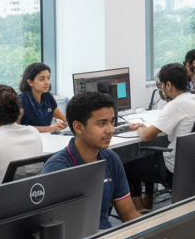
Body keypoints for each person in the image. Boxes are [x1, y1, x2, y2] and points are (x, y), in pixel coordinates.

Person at [41, 91, 141, 230]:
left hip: (106, 238)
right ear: (78, 127)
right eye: (101, 124)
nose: (111, 129)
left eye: (112, 122)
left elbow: (129, 214)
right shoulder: (57, 168)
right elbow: (61, 230)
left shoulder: (111, 158)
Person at [125, 63, 195, 204]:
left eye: (161, 84)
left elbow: (145, 136)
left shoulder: (175, 105)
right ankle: (148, 204)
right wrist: (151, 127)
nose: (161, 88)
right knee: (149, 158)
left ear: (168, 85)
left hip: (174, 166)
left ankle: (137, 214)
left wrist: (140, 128)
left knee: (127, 168)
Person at [17, 62, 66, 132]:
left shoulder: (48, 97)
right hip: (26, 140)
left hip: (46, 138)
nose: (47, 82)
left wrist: (60, 124)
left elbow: (64, 120)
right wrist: (48, 128)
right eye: (42, 79)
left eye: (48, 78)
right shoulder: (20, 101)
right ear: (30, 82)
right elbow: (16, 129)